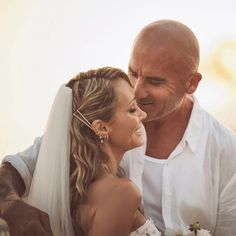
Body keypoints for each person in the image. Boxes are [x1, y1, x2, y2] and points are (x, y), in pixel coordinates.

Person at [1, 19, 236, 235]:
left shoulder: (226, 151)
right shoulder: (99, 120)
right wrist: (12, 207)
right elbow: (14, 169)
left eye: (155, 81)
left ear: (191, 83)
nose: (137, 89)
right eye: (133, 73)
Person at [1, 66, 162, 236]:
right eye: (131, 109)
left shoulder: (78, 187)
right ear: (101, 128)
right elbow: (13, 168)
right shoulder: (122, 193)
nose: (143, 114)